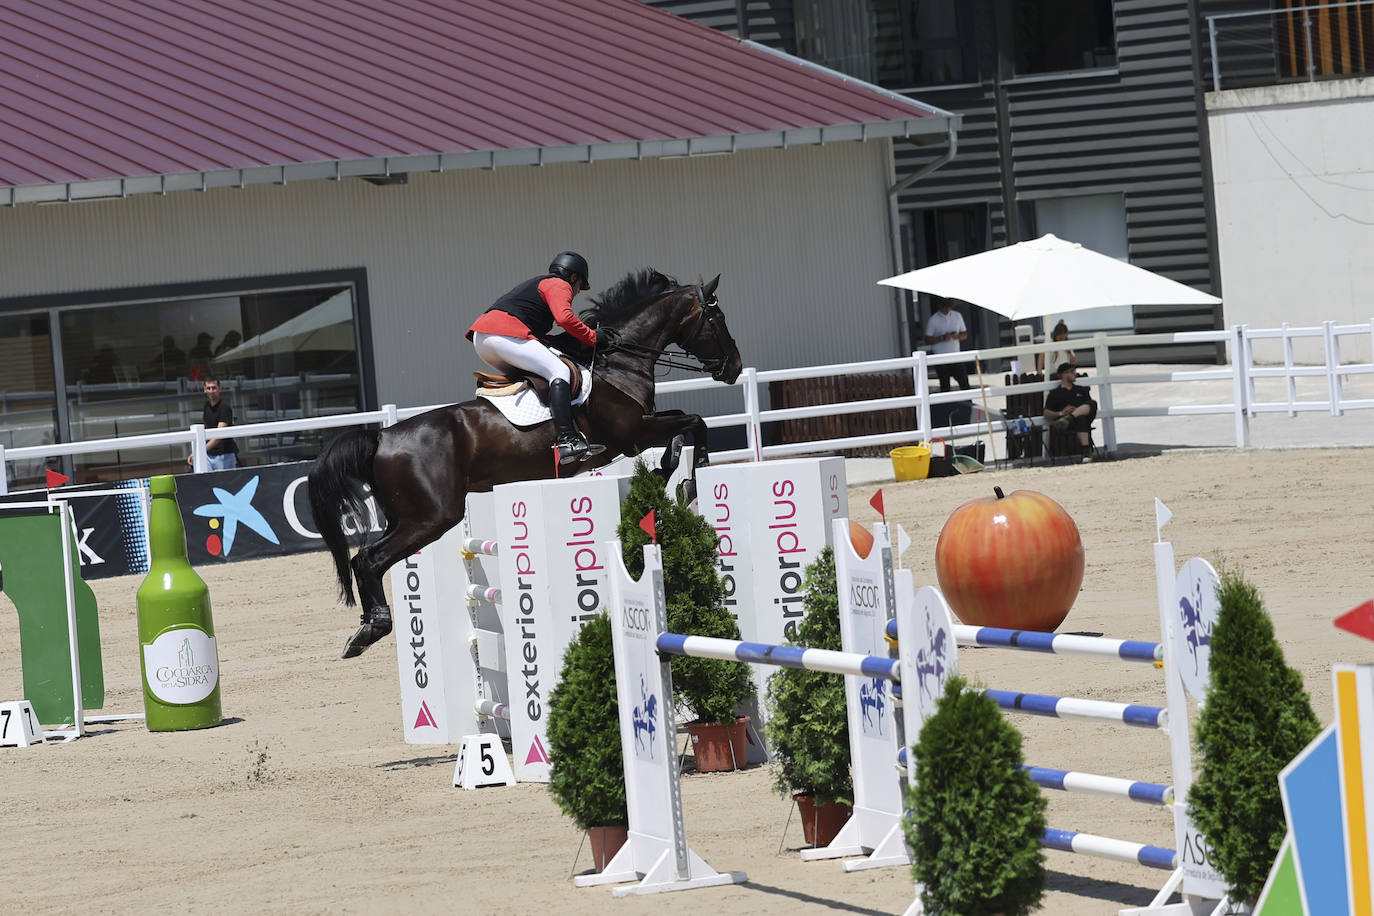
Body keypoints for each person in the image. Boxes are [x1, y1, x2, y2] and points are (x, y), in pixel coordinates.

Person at [466, 251, 607, 465]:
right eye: (580, 286)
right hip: (503, 335)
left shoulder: (538, 285)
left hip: (483, 340)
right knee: (560, 371)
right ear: (573, 277)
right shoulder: (559, 284)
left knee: (538, 375)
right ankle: (567, 440)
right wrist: (593, 337)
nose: (577, 292)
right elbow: (565, 318)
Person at [1043, 362, 1098, 462]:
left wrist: (1075, 412)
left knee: (1092, 404)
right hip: (1068, 424)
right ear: (1064, 374)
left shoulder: (1081, 389)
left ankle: (1071, 416)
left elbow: (1089, 406)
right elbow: (1046, 413)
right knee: (1080, 419)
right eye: (1072, 371)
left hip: (1083, 417)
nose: (1075, 374)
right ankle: (1086, 451)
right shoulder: (1055, 393)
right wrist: (1061, 413)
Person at [187, 377, 239, 470]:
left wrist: (200, 451)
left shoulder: (224, 407)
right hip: (209, 455)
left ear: (219, 388)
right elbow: (206, 429)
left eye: (214, 388)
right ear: (204, 390)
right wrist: (198, 452)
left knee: (226, 484)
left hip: (224, 455)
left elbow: (219, 435)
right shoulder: (207, 406)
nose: (211, 391)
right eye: (208, 388)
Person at [923, 300, 969, 391]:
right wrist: (942, 338)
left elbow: (965, 334)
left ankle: (969, 403)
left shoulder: (957, 316)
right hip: (940, 357)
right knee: (944, 384)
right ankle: (946, 405)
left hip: (955, 355)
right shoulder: (933, 320)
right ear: (940, 307)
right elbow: (927, 339)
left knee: (964, 381)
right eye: (945, 307)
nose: (947, 309)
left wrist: (957, 336)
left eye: (949, 307)